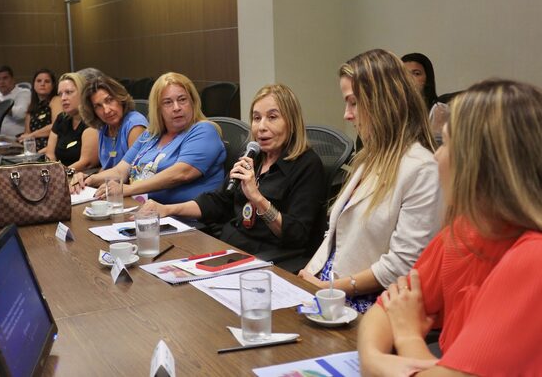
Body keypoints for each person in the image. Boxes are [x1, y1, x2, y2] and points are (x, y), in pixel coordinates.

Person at [358, 79, 542, 376]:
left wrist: (406, 338)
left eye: (445, 143)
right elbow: (384, 309)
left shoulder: (534, 258)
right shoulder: (463, 232)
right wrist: (371, 358)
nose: (436, 155)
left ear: (477, 162)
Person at [298, 49, 441, 313]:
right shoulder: (369, 157)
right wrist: (308, 276)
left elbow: (402, 266)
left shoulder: (421, 169)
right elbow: (336, 236)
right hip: (330, 291)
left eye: (353, 103)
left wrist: (331, 288)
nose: (347, 114)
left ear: (383, 102)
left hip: (369, 307)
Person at [141, 84, 327, 255]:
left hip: (269, 259)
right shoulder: (254, 155)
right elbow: (218, 202)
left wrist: (257, 198)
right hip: (229, 249)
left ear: (291, 123)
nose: (261, 127)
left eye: (272, 117)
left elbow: (296, 234)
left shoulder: (307, 165)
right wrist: (167, 209)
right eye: (256, 118)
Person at [70, 72, 225, 204]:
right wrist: (89, 179)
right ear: (158, 109)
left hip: (184, 223)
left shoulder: (204, 130)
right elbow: (120, 171)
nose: (176, 107)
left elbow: (181, 173)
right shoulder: (150, 135)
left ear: (193, 102)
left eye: (182, 99)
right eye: (168, 102)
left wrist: (129, 189)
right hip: (142, 210)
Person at [79, 74, 148, 169]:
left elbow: (134, 171)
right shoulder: (104, 128)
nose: (106, 110)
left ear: (120, 97)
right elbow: (107, 168)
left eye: (109, 100)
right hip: (110, 182)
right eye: (98, 106)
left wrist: (93, 179)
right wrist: (85, 178)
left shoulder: (135, 125)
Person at [46, 72, 99, 171]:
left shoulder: (92, 121)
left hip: (83, 177)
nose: (63, 98)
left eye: (69, 92)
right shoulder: (61, 119)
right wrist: (52, 172)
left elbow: (86, 162)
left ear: (83, 93)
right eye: (60, 94)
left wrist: (58, 174)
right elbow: (50, 154)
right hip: (59, 176)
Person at [17, 68, 62, 152]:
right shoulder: (32, 106)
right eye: (39, 81)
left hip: (50, 146)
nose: (42, 84)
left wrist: (32, 135)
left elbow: (57, 126)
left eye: (47, 81)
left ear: (53, 86)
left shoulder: (56, 100)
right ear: (33, 84)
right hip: (32, 148)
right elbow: (27, 133)